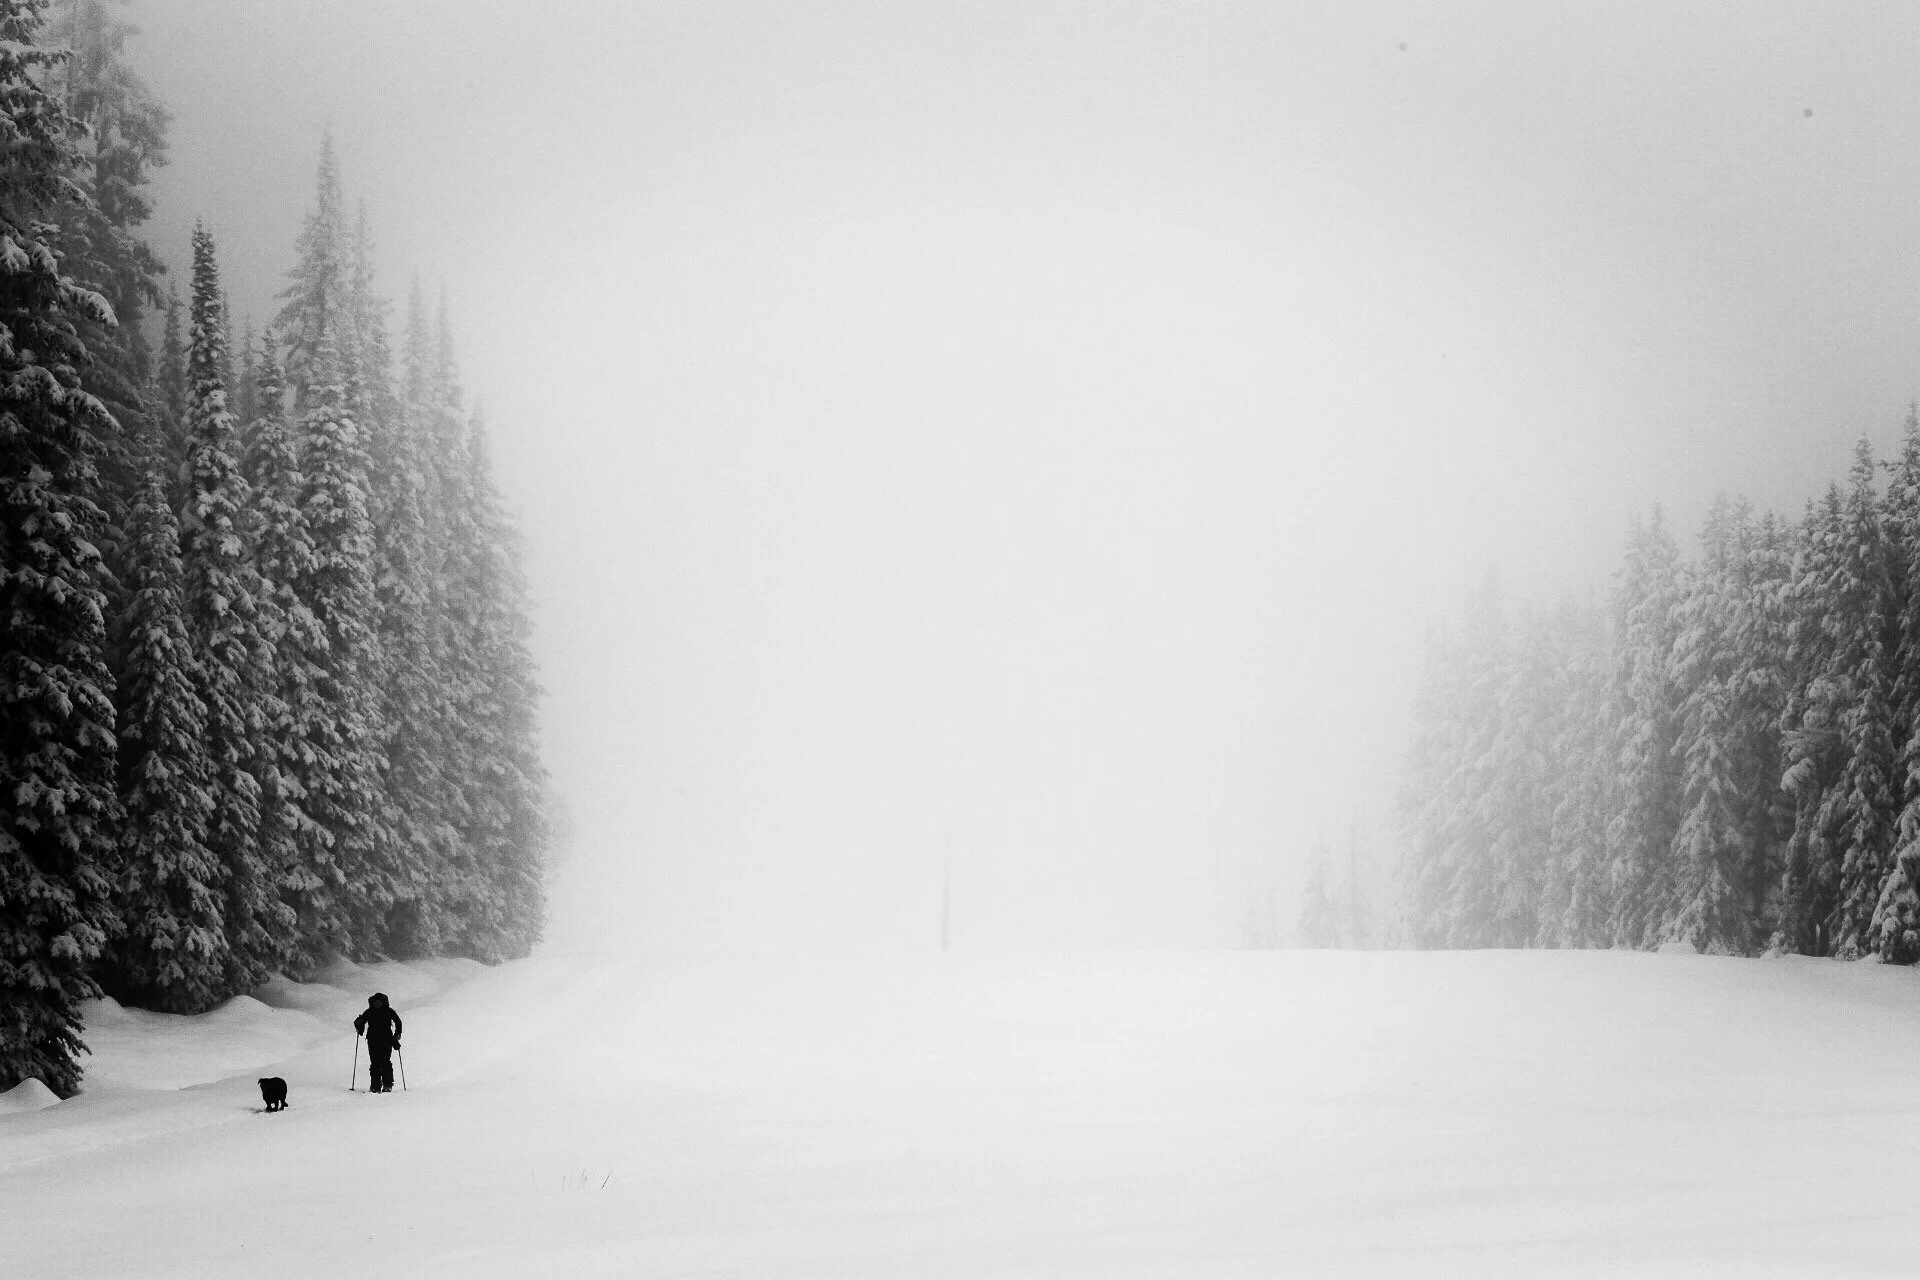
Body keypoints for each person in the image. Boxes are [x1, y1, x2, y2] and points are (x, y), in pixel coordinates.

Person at [354, 992, 403, 1092]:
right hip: (373, 1040)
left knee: (385, 1062)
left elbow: (398, 1022)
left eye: (379, 1002)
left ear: (383, 1002)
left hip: (386, 1040)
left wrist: (397, 1034)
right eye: (376, 1002)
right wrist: (358, 1024)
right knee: (375, 1062)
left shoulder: (387, 1011)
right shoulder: (370, 1011)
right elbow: (362, 1022)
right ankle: (376, 1086)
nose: (377, 1004)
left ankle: (386, 1085)